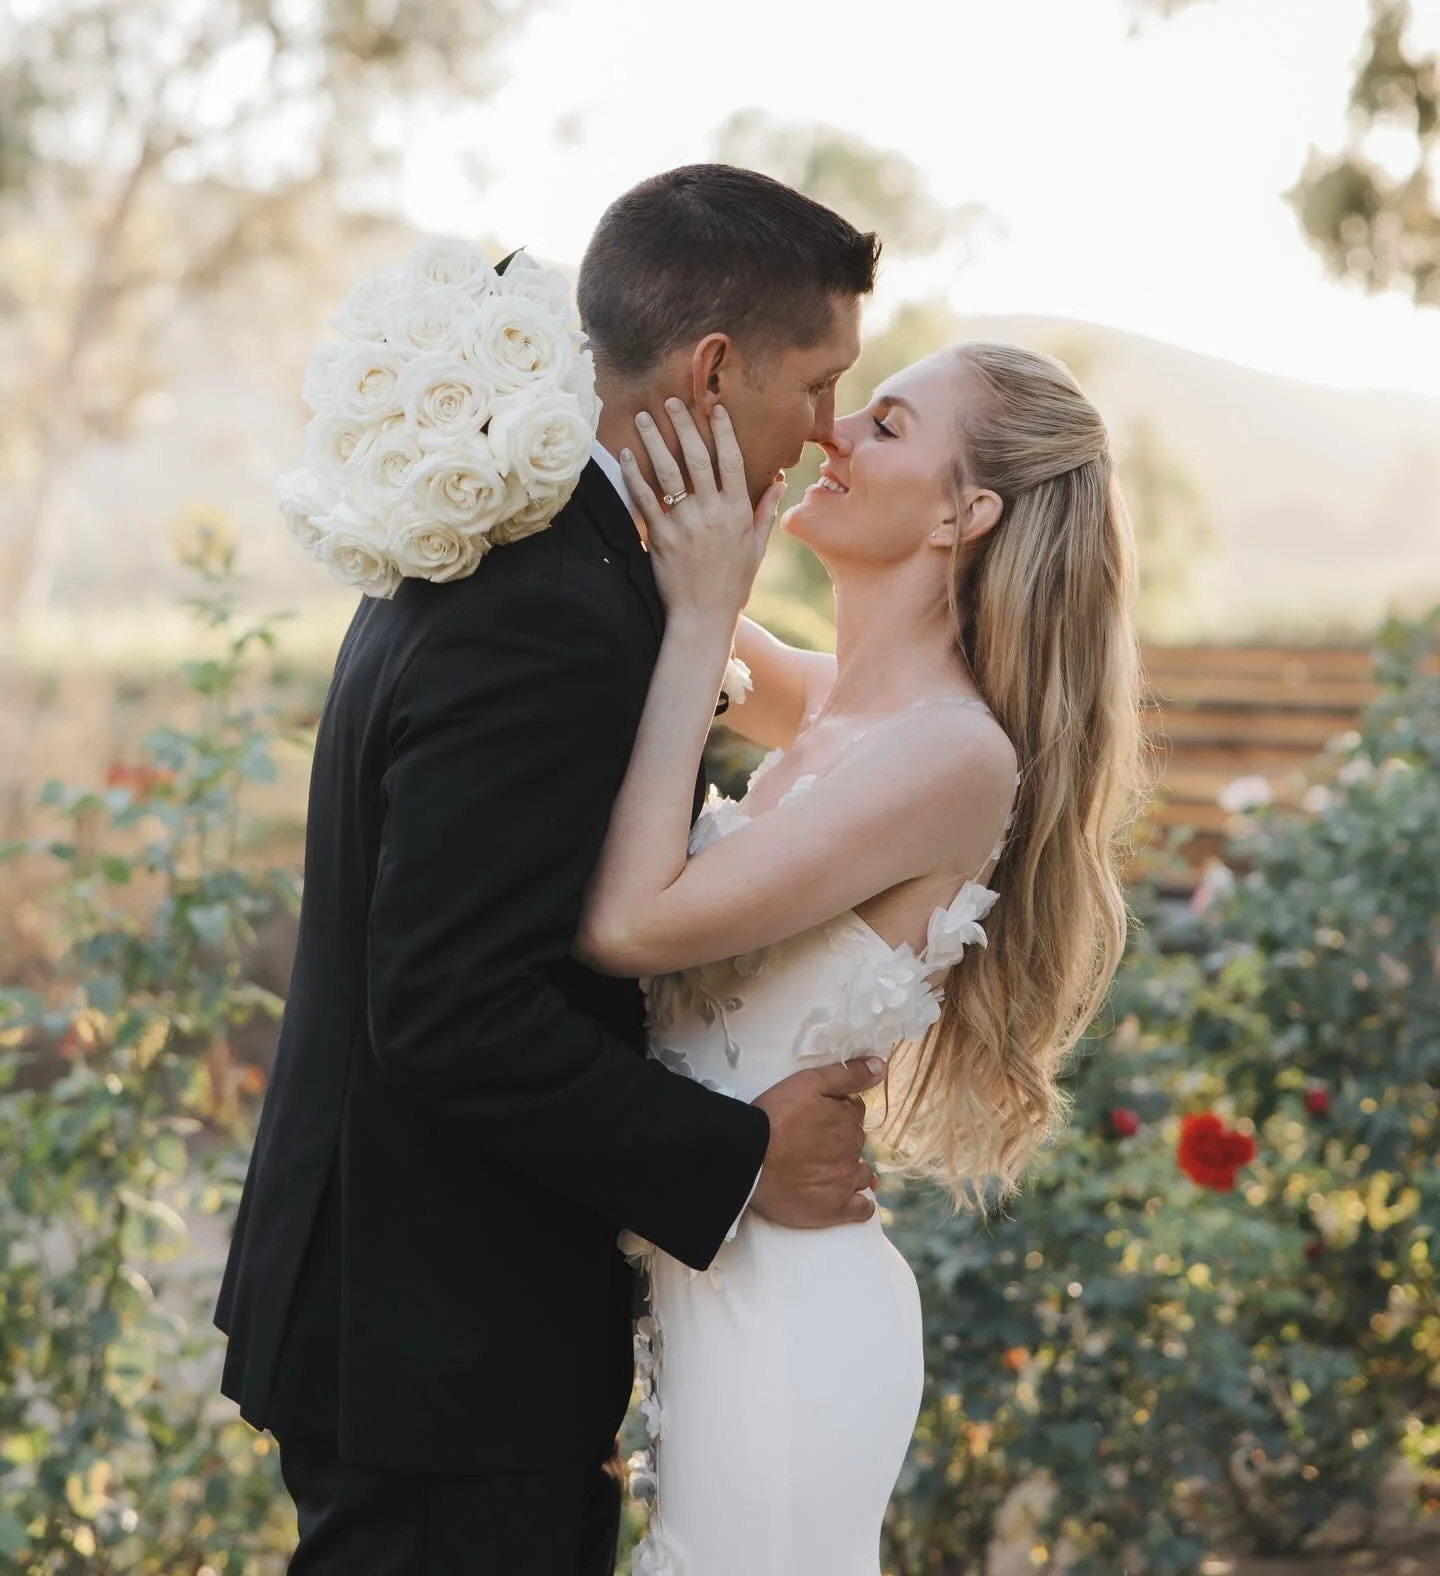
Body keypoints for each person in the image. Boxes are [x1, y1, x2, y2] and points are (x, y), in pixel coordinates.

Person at [215, 164, 887, 1576]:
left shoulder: (542, 556)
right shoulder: (545, 611)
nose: (826, 435)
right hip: (437, 1343)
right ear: (712, 371)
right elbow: (453, 1008)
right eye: (818, 386)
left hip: (421, 1323)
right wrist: (741, 1154)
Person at [576, 340, 1144, 1576]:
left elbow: (628, 925)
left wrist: (698, 618)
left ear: (966, 512)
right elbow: (684, 567)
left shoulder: (952, 756)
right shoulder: (836, 706)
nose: (833, 437)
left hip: (795, 1319)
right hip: (714, 1278)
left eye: (883, 425)